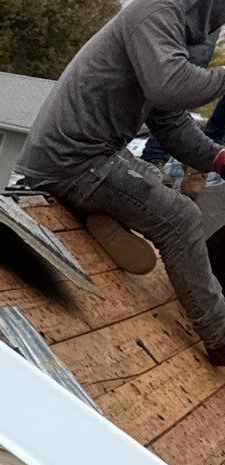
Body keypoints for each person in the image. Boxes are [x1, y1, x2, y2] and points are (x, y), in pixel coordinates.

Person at [18, 0, 225, 364]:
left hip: (95, 155)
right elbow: (172, 87)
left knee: (152, 185)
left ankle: (97, 217)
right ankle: (220, 337)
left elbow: (171, 121)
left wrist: (219, 159)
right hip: (76, 159)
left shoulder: (178, 31)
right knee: (182, 220)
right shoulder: (156, 13)